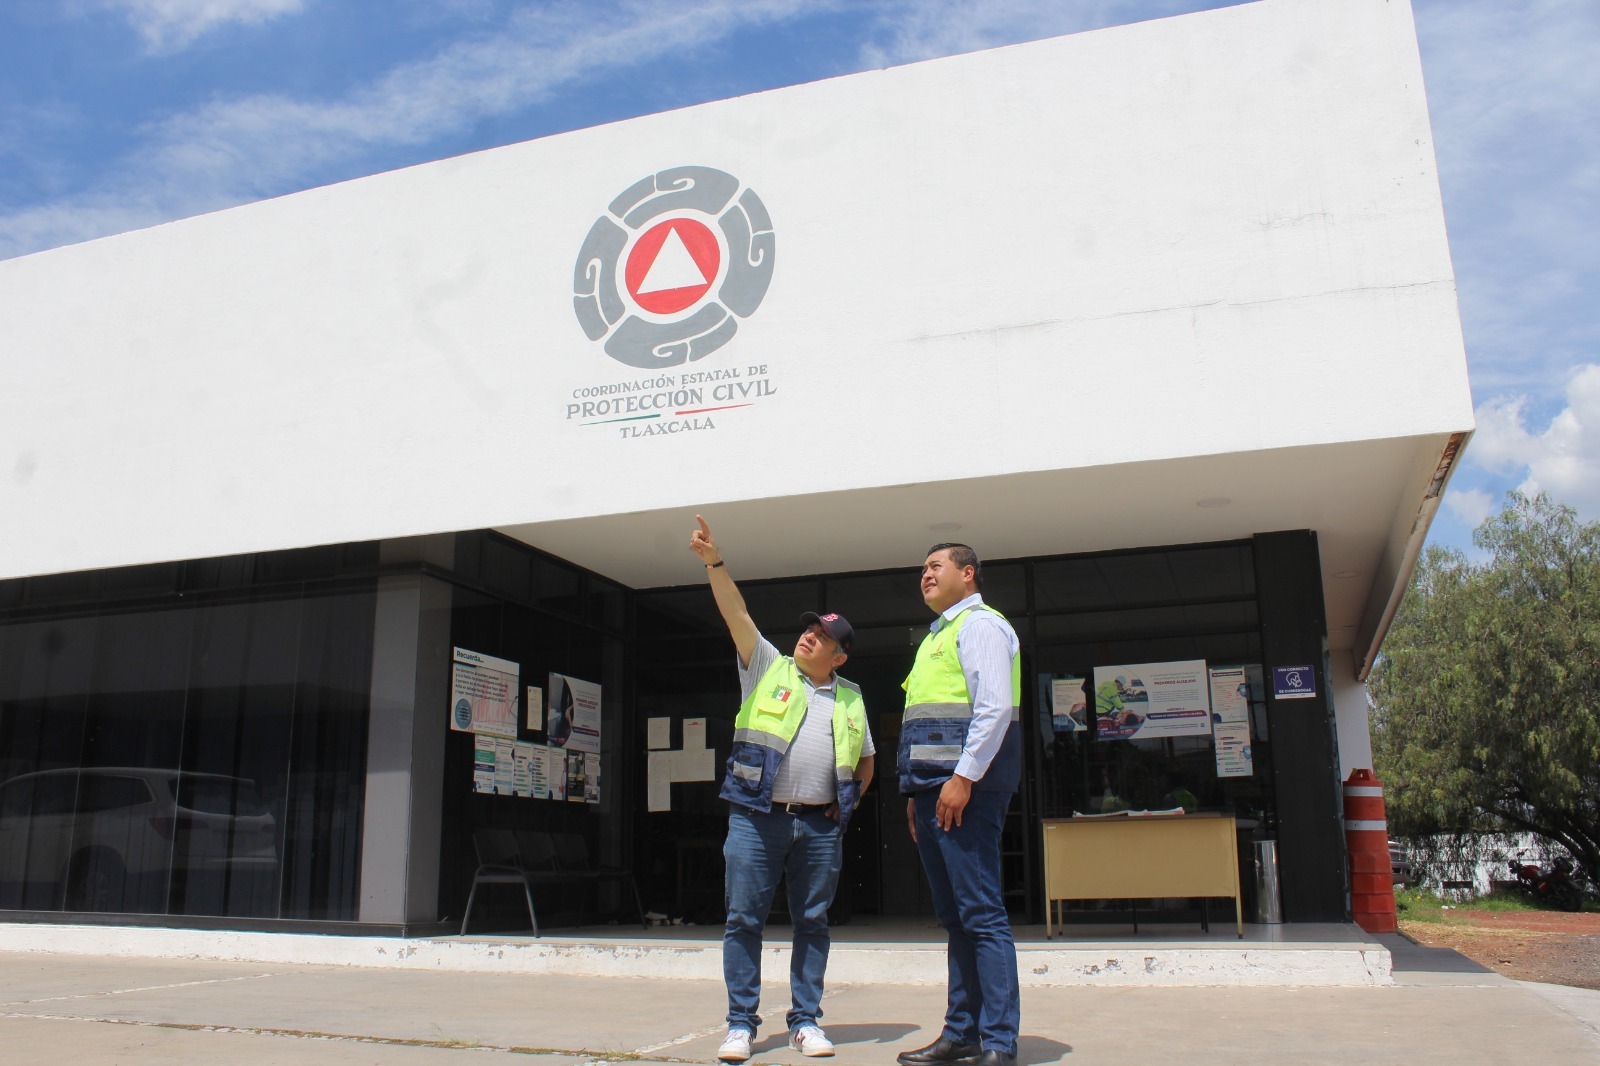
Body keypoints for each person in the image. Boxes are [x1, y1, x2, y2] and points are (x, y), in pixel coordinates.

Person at [689, 515, 876, 1063]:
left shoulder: (851, 696)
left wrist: (848, 802)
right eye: (808, 629)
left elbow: (867, 759)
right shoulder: (768, 667)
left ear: (838, 656)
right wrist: (714, 564)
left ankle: (806, 1022)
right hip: (756, 818)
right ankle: (740, 1025)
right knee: (743, 920)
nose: (808, 635)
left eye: (822, 636)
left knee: (812, 923)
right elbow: (737, 614)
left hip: (819, 825)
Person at [897, 543, 1021, 1066]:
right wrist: (916, 792)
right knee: (956, 919)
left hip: (967, 791)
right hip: (935, 792)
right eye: (923, 569)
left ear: (968, 574)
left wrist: (963, 778)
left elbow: (993, 708)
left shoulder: (981, 625)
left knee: (982, 915)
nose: (925, 575)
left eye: (935, 566)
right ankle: (961, 1033)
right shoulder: (936, 636)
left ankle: (999, 1042)